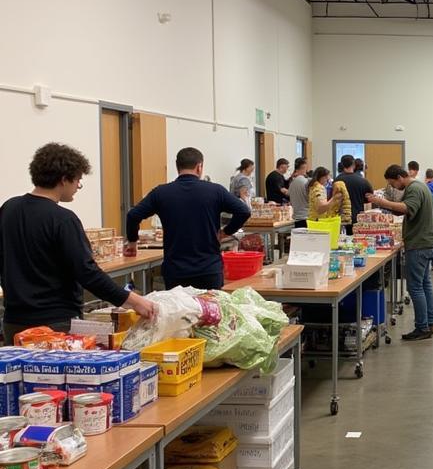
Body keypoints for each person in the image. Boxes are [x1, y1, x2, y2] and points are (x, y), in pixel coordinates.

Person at [0, 143, 156, 342]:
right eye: (78, 181)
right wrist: (134, 300)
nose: (77, 188)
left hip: (14, 322)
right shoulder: (63, 219)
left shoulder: (8, 209)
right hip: (55, 325)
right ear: (64, 179)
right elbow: (87, 273)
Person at [126, 147, 249, 290]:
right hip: (208, 269)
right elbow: (243, 211)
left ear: (177, 166)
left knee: (180, 311)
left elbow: (133, 215)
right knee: (209, 310)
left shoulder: (161, 193)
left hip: (176, 271)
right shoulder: (215, 190)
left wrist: (132, 243)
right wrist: (225, 232)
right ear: (199, 167)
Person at [368, 165, 433, 341]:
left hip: (419, 243)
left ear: (400, 178)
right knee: (424, 284)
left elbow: (408, 208)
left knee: (415, 286)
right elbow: (406, 208)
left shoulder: (414, 189)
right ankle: (429, 322)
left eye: (393, 183)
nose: (393, 187)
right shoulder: (419, 186)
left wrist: (381, 202)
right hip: (426, 241)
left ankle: (422, 327)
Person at [335, 154, 374, 233]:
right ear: (354, 165)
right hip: (357, 217)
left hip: (340, 217)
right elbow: (369, 198)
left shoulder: (337, 181)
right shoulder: (363, 181)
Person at [289, 157, 310, 229]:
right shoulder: (306, 182)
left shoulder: (292, 183)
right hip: (306, 217)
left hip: (296, 218)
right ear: (304, 167)